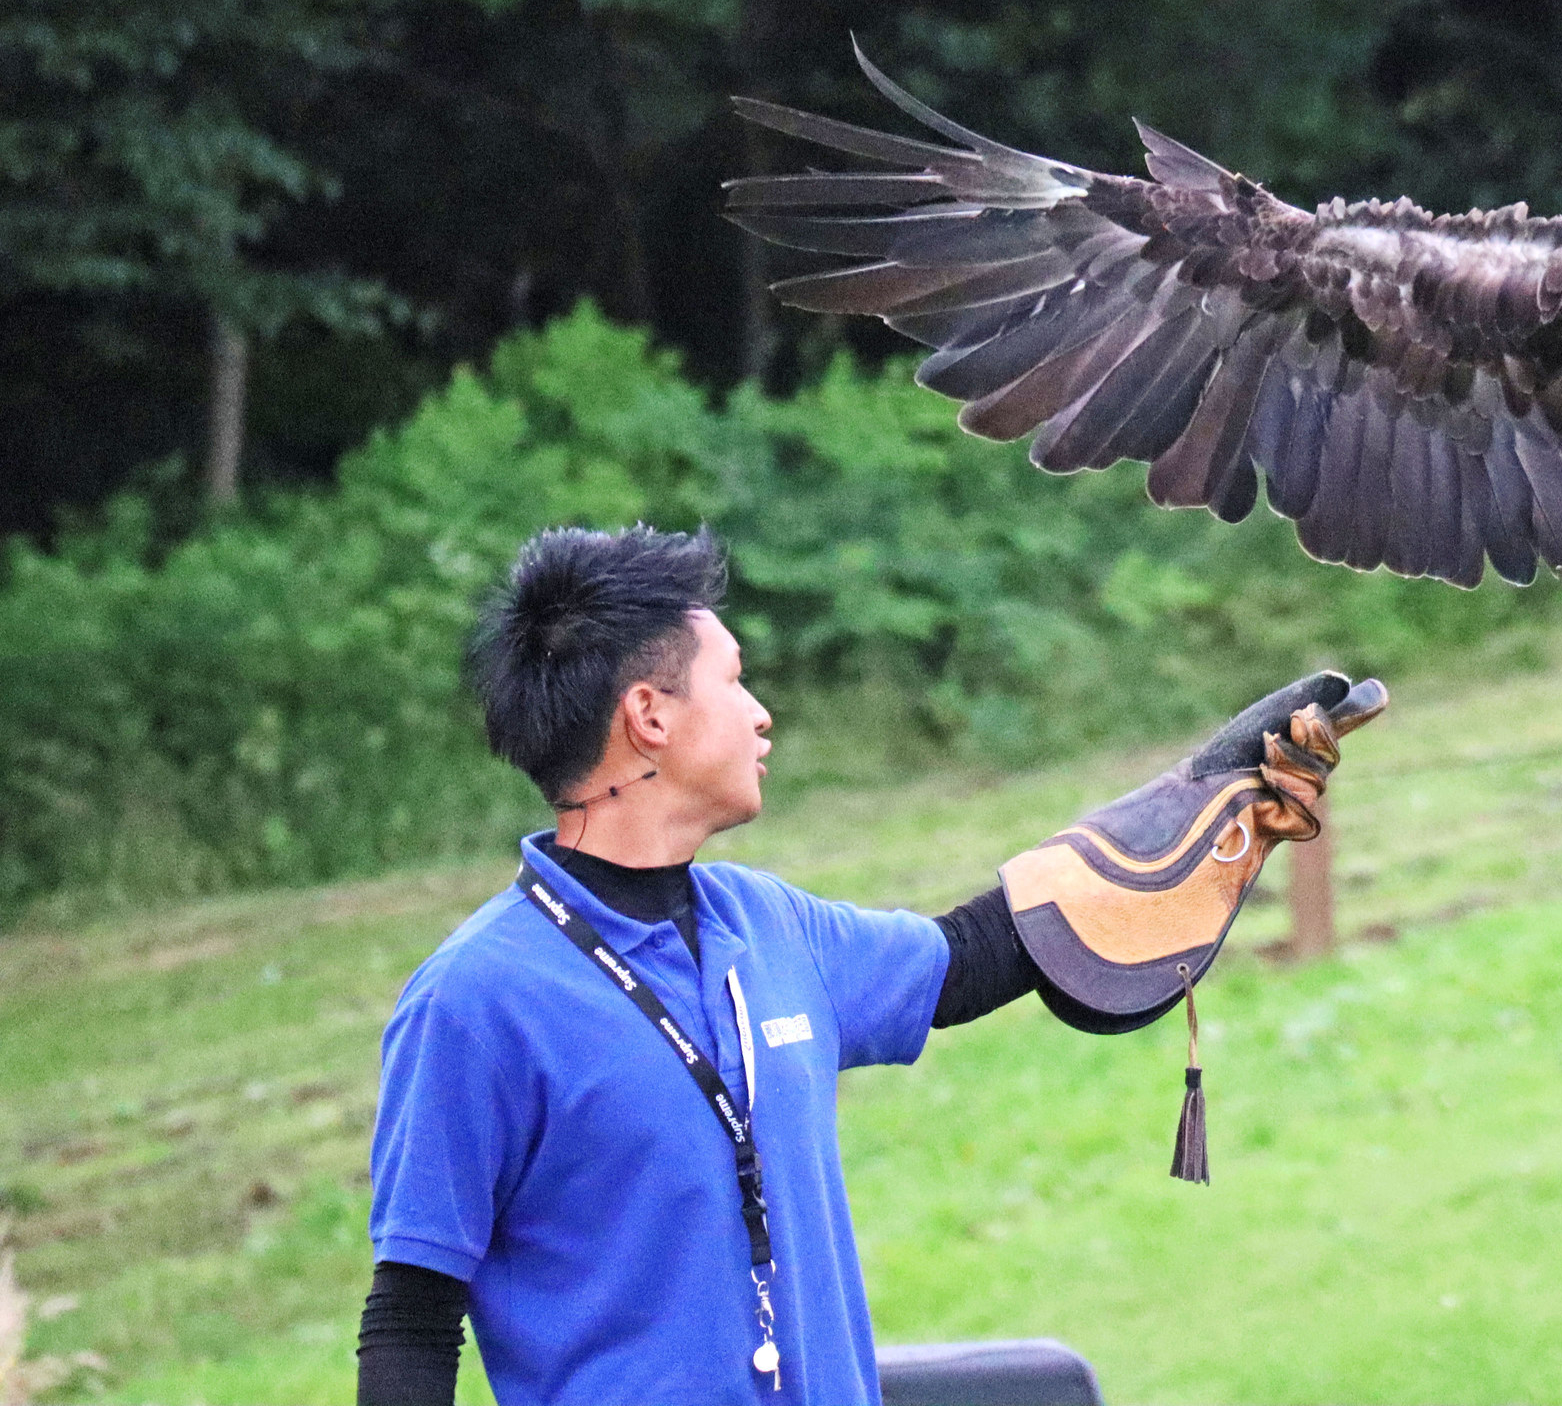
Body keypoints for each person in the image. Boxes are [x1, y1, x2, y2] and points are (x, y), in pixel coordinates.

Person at [357, 523, 1374, 1406]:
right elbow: (411, 1319)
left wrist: (1207, 800)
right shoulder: (476, 999)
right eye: (734, 678)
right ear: (649, 714)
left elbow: (977, 955)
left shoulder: (768, 924)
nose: (761, 712)